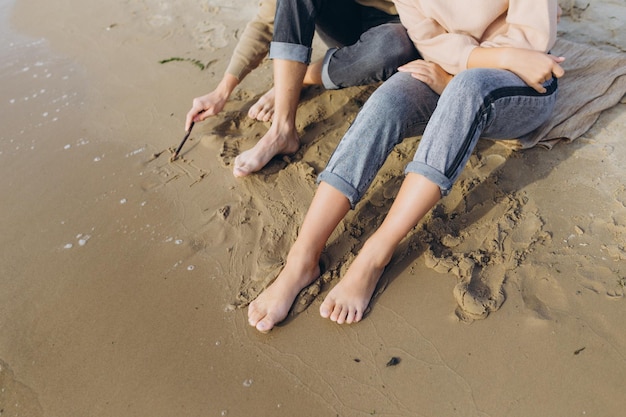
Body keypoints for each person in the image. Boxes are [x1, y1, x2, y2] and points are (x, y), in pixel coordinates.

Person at [247, 0, 565, 332]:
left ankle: (374, 256)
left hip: (521, 83)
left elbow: (530, 45)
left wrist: (476, 65)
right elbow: (428, 42)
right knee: (391, 97)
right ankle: (301, 259)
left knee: (466, 89)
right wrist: (455, 66)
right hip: (450, 67)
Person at [185, 0, 418, 176]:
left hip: (404, 28)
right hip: (345, 22)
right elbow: (267, 21)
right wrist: (222, 90)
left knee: (393, 44)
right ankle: (281, 131)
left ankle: (296, 78)